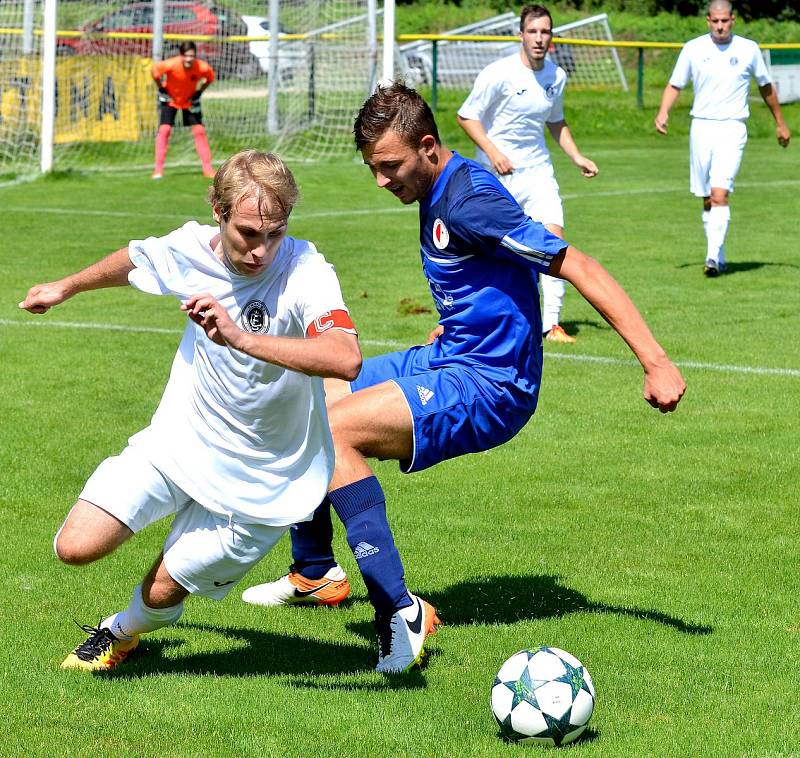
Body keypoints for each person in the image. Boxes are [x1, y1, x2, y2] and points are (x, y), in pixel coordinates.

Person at [242, 83, 686, 674]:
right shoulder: (437, 186)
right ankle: (315, 572)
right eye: (373, 168)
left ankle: (401, 612)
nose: (382, 181)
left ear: (427, 147)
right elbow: (486, 282)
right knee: (306, 387)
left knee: (335, 429)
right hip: (452, 356)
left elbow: (575, 264)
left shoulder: (470, 201)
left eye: (390, 167)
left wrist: (655, 361)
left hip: (490, 387)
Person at [18, 150, 361, 671]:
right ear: (218, 213)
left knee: (160, 591)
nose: (261, 251)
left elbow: (346, 356)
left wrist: (240, 338)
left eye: (274, 233)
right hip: (180, 444)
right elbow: (136, 257)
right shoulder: (189, 248)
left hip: (265, 483)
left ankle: (121, 633)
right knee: (75, 546)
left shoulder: (305, 270)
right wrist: (66, 287)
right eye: (248, 232)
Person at [457, 3, 598, 344]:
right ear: (520, 34)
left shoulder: (556, 75)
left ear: (552, 37)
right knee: (494, 254)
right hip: (497, 177)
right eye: (532, 31)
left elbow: (556, 121)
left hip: (538, 172)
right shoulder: (498, 73)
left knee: (553, 243)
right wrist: (493, 153)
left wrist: (577, 156)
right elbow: (466, 116)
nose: (538, 38)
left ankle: (551, 324)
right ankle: (482, 320)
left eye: (545, 32)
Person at [654, 0, 790, 277]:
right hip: (701, 128)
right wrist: (663, 111)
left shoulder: (748, 49)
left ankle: (712, 257)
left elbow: (766, 86)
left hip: (732, 128)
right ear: (708, 20)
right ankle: (719, 253)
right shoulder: (693, 48)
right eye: (715, 21)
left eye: (725, 21)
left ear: (733, 20)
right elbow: (675, 84)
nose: (720, 26)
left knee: (719, 194)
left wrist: (780, 123)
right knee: (706, 197)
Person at [151, 41, 216, 179]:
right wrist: (161, 88)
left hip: (189, 101)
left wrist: (199, 92)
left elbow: (210, 78)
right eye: (186, 56)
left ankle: (208, 169)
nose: (188, 59)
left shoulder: (202, 67)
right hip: (171, 100)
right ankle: (158, 170)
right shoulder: (171, 64)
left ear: (195, 56)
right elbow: (155, 72)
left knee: (199, 130)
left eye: (191, 56)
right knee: (165, 130)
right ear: (181, 56)